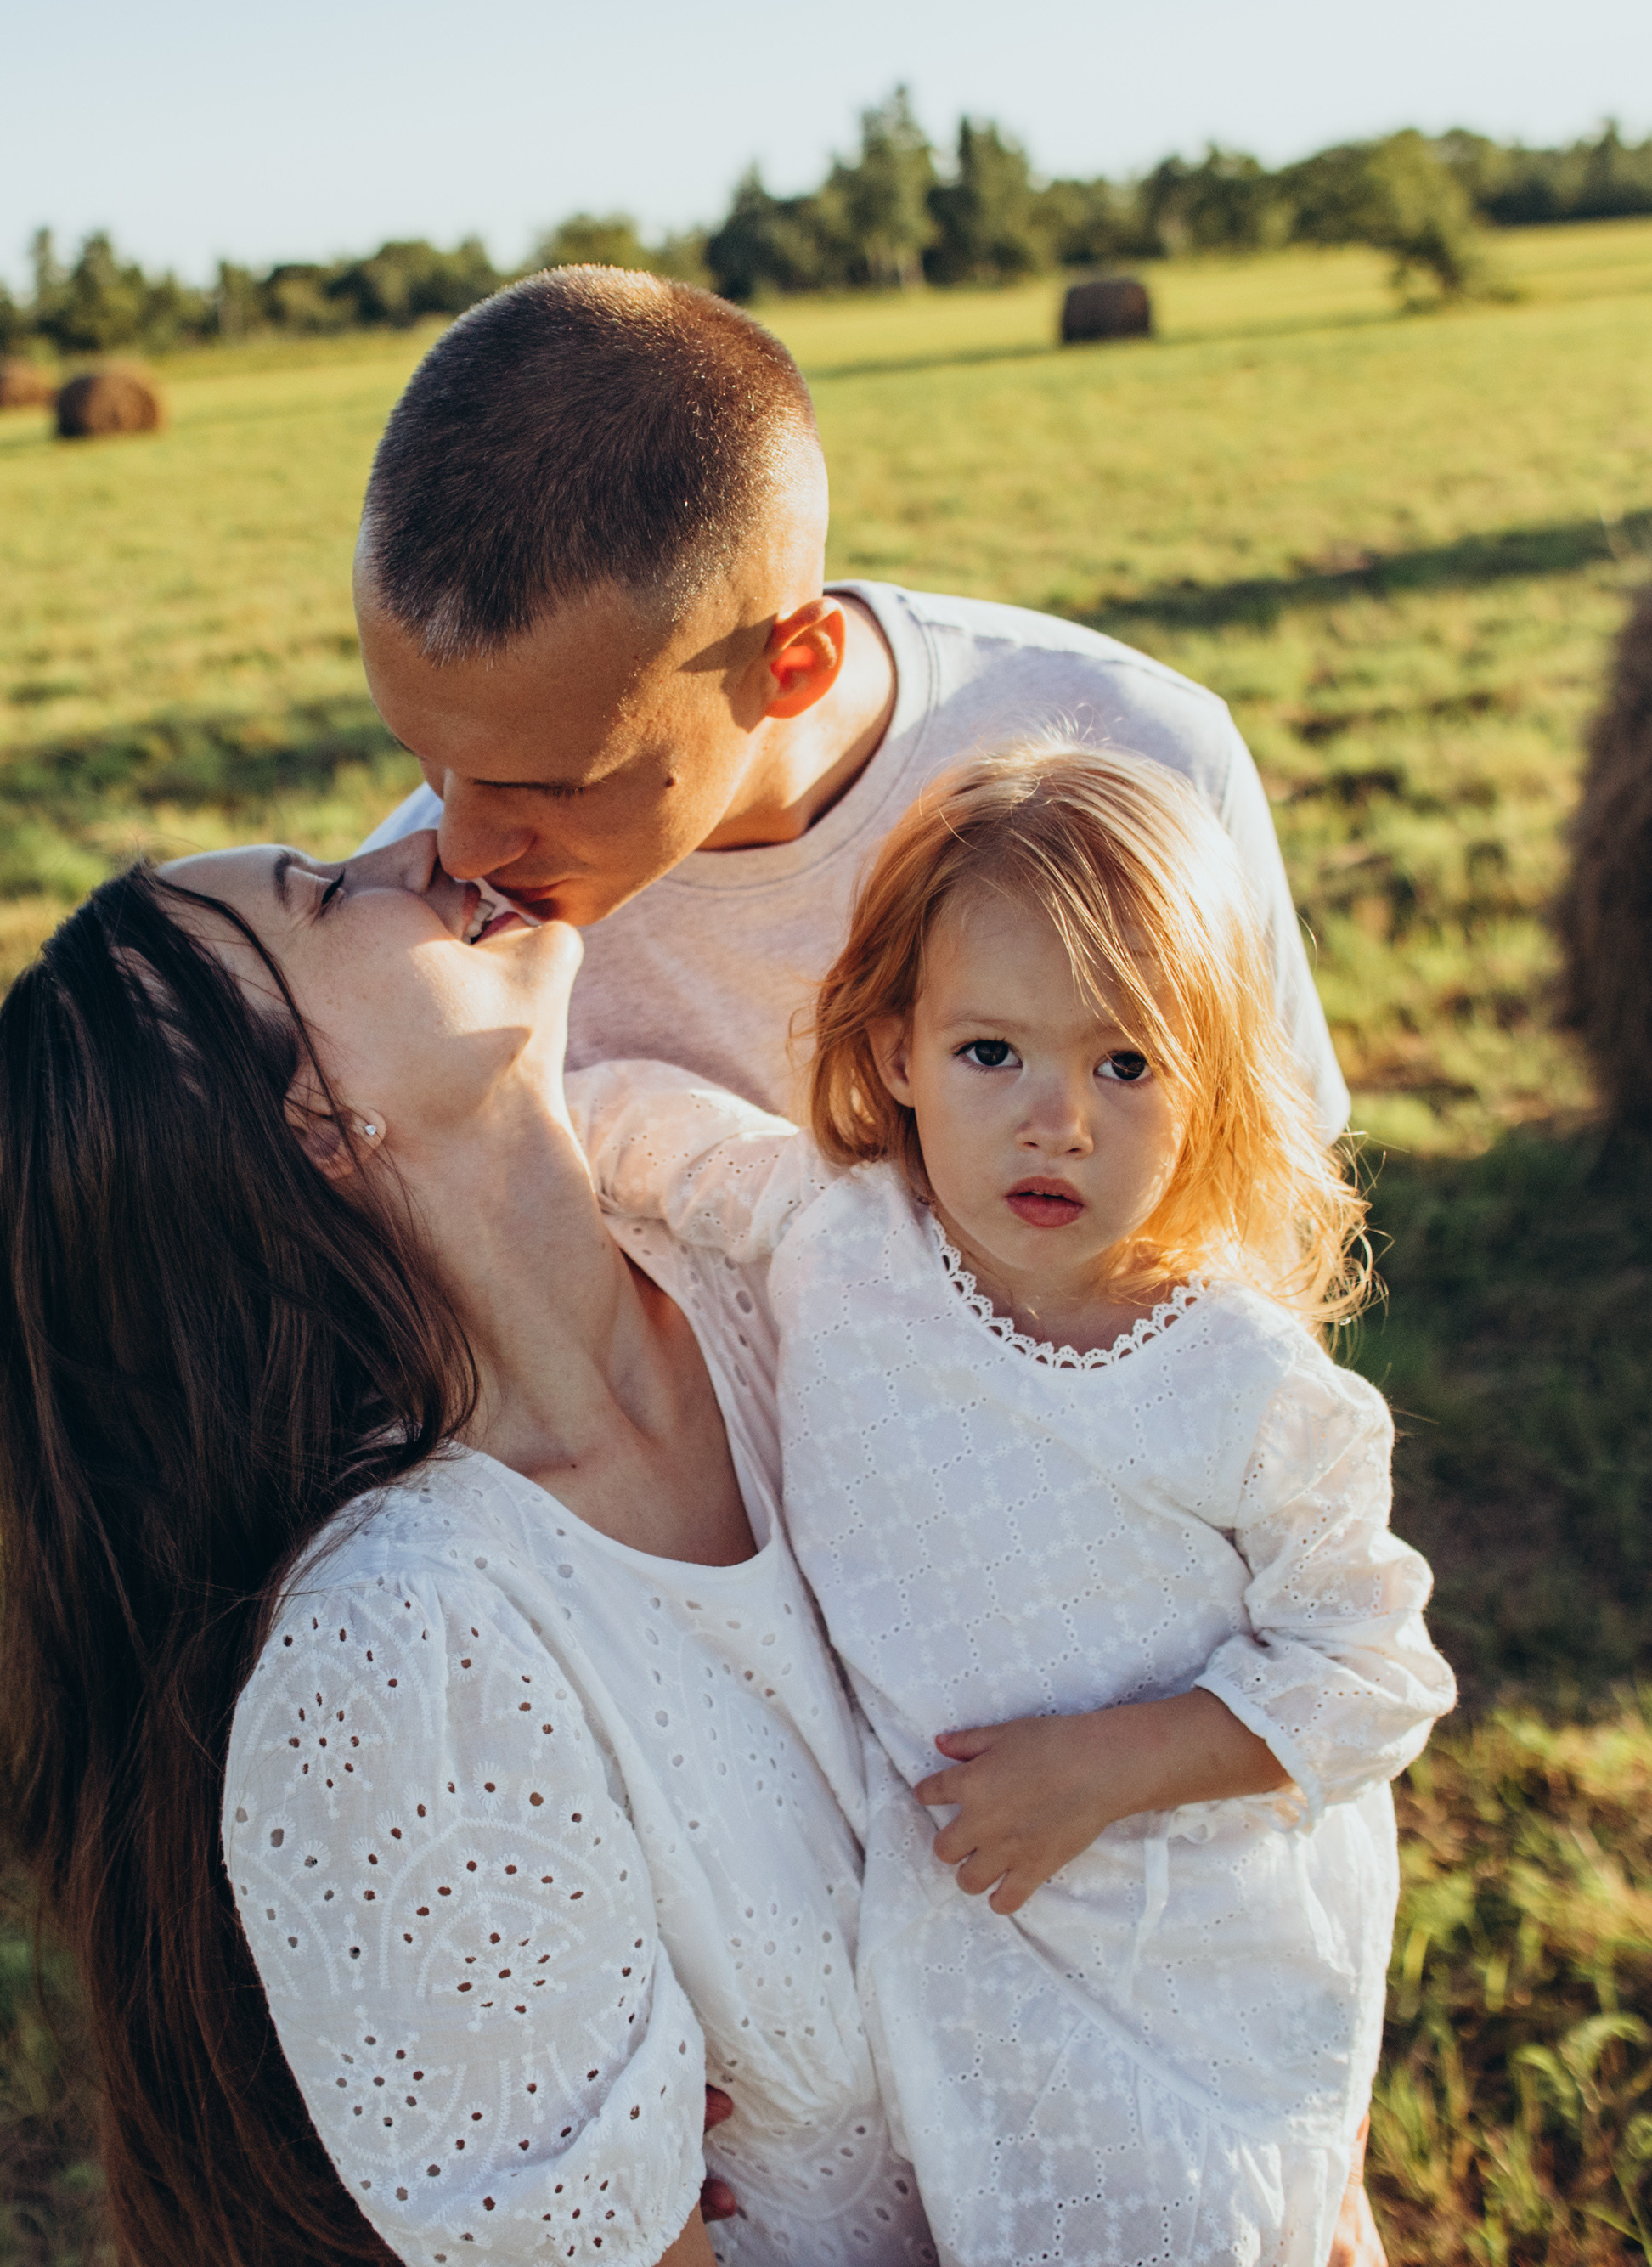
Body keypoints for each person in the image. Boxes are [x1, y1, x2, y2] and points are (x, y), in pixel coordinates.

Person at [0, 833, 937, 2267]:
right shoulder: (401, 1651)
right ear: (318, 1123)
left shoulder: (764, 1252)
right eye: (329, 893)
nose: (423, 847)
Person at [566, 742, 1457, 2267]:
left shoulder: (1242, 1382)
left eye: (1128, 1065)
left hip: (1191, 1915)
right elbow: (637, 1128)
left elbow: (1377, 1669)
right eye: (996, 1055)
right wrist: (436, 1121)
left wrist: (1108, 1766)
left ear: (1214, 1088)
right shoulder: (831, 1241)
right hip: (971, 1924)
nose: (1059, 1121)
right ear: (897, 1047)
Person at [353, 265, 1347, 1138]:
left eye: (555, 785)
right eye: (427, 757)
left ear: (791, 666)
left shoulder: (1142, 753)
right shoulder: (397, 937)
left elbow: (1269, 1207)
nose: (460, 847)